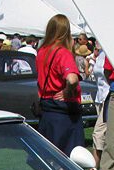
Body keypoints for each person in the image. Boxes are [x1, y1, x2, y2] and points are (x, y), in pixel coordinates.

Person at [35, 13, 84, 155]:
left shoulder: (42, 51)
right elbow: (72, 79)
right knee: (67, 160)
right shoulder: (62, 53)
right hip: (64, 113)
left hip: (47, 110)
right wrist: (68, 91)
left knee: (49, 159)